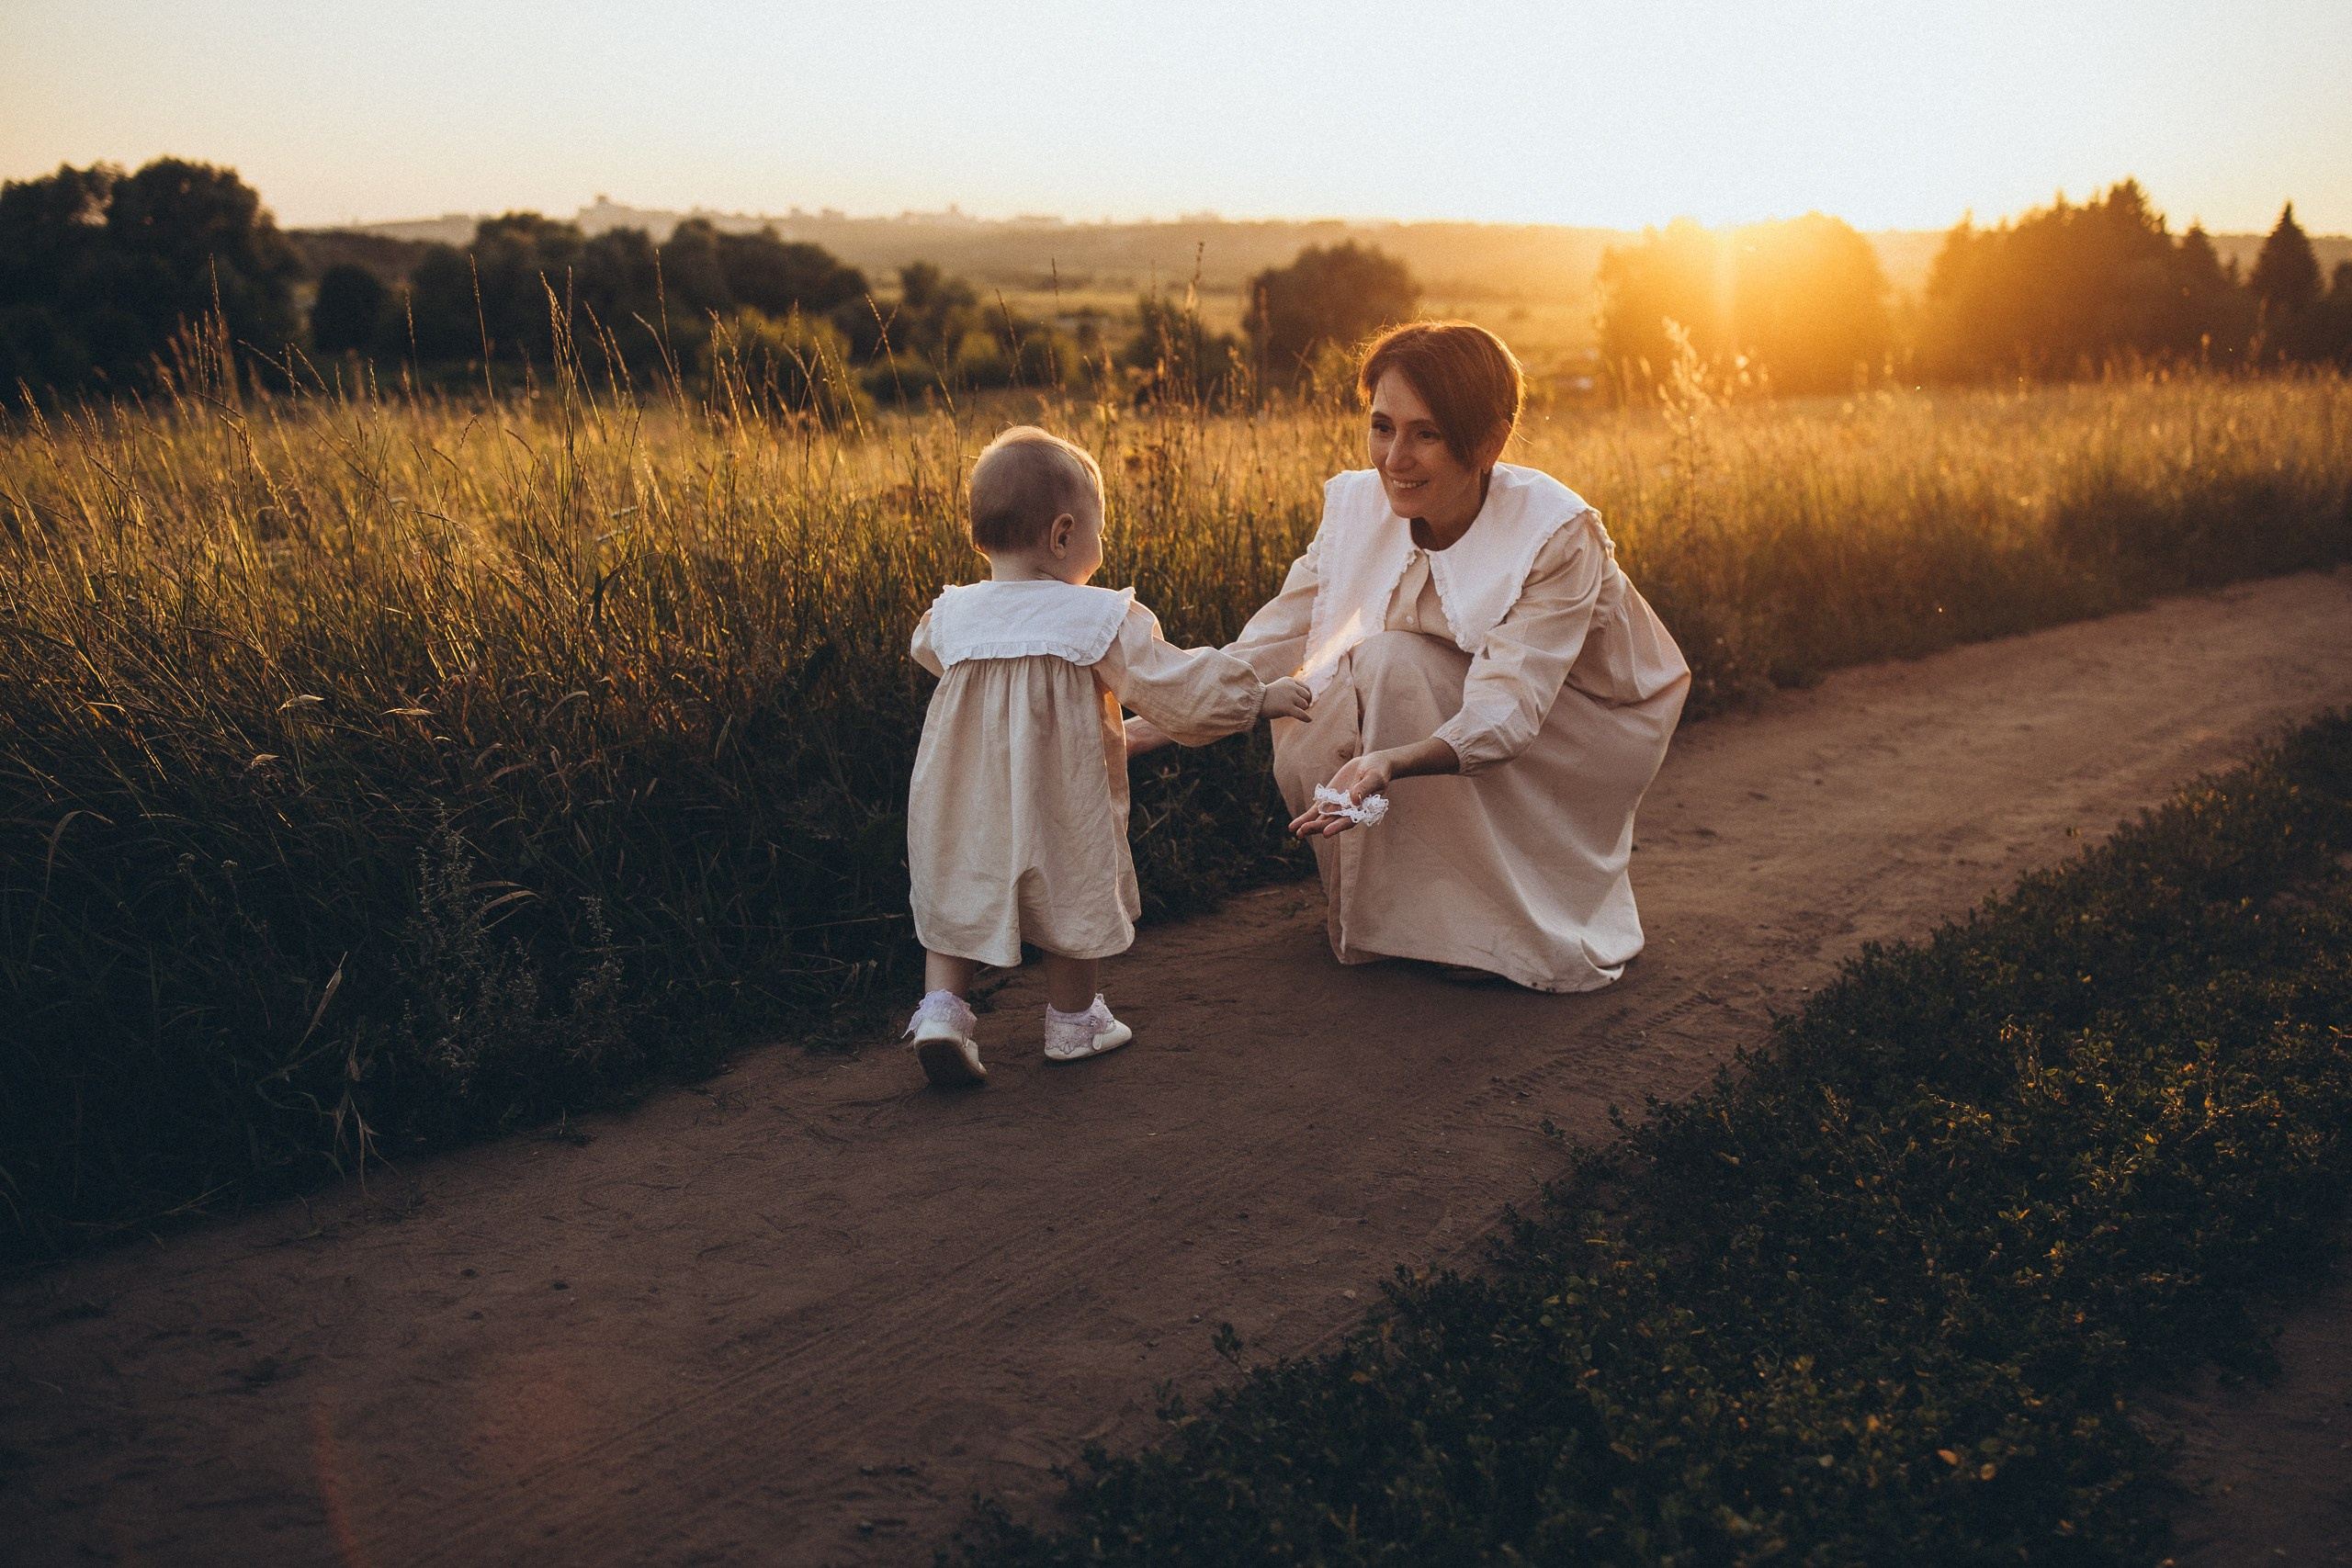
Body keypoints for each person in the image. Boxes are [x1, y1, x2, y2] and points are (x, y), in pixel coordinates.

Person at [1133, 322, 1689, 992]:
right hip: (1455, 700)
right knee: (1324, 682)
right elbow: (1274, 642)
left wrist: (1391, 759)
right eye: (1382, 426)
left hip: (1582, 722)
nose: (1395, 457)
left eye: (1426, 433)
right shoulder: (1357, 510)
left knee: (1391, 665)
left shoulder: (1555, 533)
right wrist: (1141, 728)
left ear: (1489, 441)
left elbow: (1508, 705)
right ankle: (1398, 918)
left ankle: (1487, 928)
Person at [903, 426, 1314, 1086]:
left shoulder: (952, 614)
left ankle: (943, 1012)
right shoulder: (1095, 617)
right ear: (1063, 535)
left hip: (963, 790)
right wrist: (1255, 696)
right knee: (1072, 884)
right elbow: (1173, 682)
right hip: (1061, 791)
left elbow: (929, 651)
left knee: (958, 880)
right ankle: (1073, 1021)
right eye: (1099, 530)